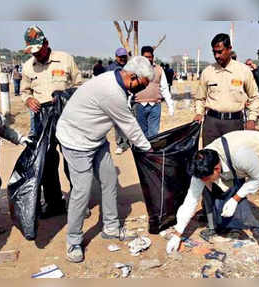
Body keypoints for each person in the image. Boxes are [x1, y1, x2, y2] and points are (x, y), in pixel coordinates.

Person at [56, 56, 154, 263]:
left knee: (109, 180)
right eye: (141, 86)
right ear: (132, 76)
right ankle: (73, 240)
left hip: (96, 139)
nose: (140, 91)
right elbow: (129, 126)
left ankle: (110, 227)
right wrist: (150, 151)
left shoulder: (117, 81)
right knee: (81, 192)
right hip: (76, 141)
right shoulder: (111, 91)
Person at [166, 130, 259, 266]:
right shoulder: (202, 164)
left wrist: (235, 199)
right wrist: (177, 234)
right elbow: (190, 201)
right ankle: (216, 223)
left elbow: (258, 177)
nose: (204, 181)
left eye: (207, 178)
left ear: (217, 169)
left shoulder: (240, 156)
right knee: (214, 189)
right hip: (240, 162)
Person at [21, 25, 82, 219]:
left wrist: (65, 96)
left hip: (67, 114)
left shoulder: (65, 59)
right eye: (33, 52)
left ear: (46, 44)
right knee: (46, 161)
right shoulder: (28, 66)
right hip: (42, 117)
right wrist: (28, 100)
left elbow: (79, 85)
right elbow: (24, 91)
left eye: (38, 51)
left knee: (72, 158)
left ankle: (77, 202)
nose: (37, 56)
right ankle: (54, 202)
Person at [195, 34, 259, 148]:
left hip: (234, 123)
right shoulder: (207, 72)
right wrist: (199, 113)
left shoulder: (243, 71)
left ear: (229, 49)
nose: (216, 56)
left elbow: (254, 97)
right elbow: (200, 98)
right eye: (214, 52)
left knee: (233, 161)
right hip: (211, 124)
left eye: (220, 52)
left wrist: (251, 119)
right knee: (210, 160)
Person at [134, 46, 174, 138]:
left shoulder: (159, 69)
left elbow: (164, 88)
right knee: (142, 133)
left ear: (153, 57)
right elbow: (129, 88)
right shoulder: (135, 70)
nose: (148, 59)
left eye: (150, 57)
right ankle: (144, 152)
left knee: (154, 134)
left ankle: (151, 152)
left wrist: (170, 105)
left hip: (155, 106)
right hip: (139, 105)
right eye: (145, 57)